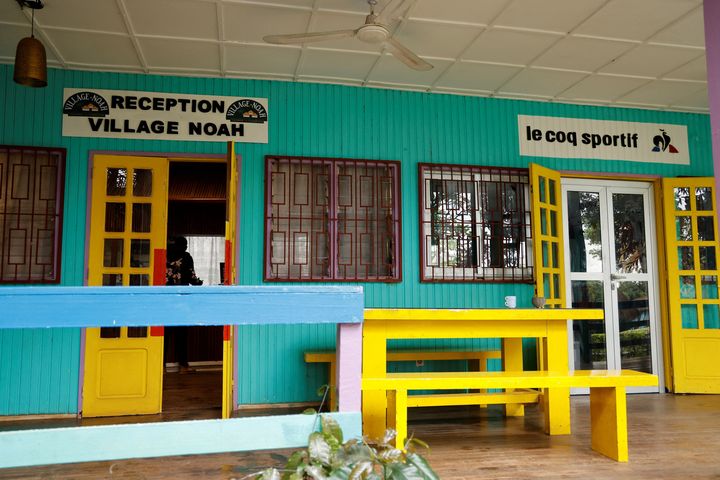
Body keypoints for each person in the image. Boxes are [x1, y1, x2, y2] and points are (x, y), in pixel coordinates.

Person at [166, 236, 203, 373]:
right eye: (185, 244)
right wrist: (199, 283)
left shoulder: (164, 255)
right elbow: (192, 278)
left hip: (164, 301)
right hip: (181, 300)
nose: (186, 247)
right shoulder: (186, 257)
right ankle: (183, 366)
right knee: (181, 334)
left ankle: (161, 366)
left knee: (164, 334)